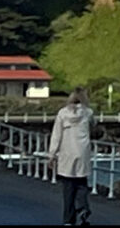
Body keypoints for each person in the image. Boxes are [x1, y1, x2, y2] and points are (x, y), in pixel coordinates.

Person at [48, 87, 95, 226]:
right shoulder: (88, 112)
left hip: (67, 153)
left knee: (68, 188)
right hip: (83, 153)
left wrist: (52, 155)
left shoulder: (62, 114)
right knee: (81, 184)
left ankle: (68, 219)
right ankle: (82, 207)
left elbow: (56, 135)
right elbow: (94, 125)